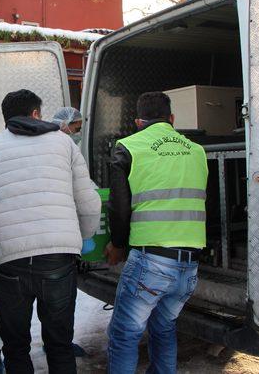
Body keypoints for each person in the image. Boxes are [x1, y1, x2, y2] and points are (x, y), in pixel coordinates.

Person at [0, 89, 101, 374]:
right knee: (59, 345)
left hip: (8, 263)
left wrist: (1, 243)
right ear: (35, 114)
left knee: (16, 348)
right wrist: (83, 236)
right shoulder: (64, 144)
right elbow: (89, 201)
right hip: (57, 259)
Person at [104, 92, 208, 373]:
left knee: (125, 334)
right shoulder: (197, 151)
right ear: (172, 119)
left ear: (139, 122)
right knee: (164, 329)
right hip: (189, 265)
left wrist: (117, 244)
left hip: (151, 262)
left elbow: (119, 207)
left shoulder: (128, 147)